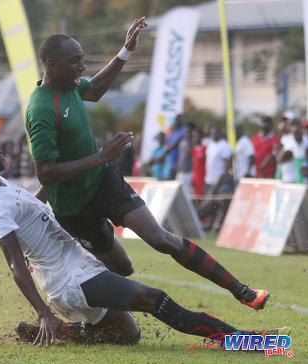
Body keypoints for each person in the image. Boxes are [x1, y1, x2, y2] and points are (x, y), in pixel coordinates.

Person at [0, 135, 274, 348]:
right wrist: (42, 311)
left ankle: (70, 332)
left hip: (78, 269)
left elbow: (37, 206)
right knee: (155, 299)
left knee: (129, 336)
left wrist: (61, 178)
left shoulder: (0, 184)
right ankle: (246, 341)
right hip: (70, 280)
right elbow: (14, 263)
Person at [25, 21, 268, 309]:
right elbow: (46, 172)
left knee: (161, 239)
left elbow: (98, 88)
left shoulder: (72, 87)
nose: (81, 67)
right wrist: (101, 156)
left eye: (82, 59)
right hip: (73, 209)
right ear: (51, 64)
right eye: (75, 61)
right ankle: (91, 320)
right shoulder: (40, 109)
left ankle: (242, 291)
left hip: (104, 183)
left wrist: (126, 51)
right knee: (123, 268)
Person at [175, 123, 195, 197]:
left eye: (188, 131)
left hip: (189, 173)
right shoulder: (182, 142)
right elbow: (181, 157)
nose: (187, 133)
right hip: (180, 173)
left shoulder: (194, 143)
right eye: (186, 131)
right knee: (179, 194)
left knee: (189, 195)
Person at [191, 128, 206, 197]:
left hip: (203, 177)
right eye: (194, 136)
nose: (196, 138)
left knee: (202, 196)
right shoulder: (193, 149)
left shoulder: (205, 148)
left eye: (197, 136)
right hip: (195, 177)